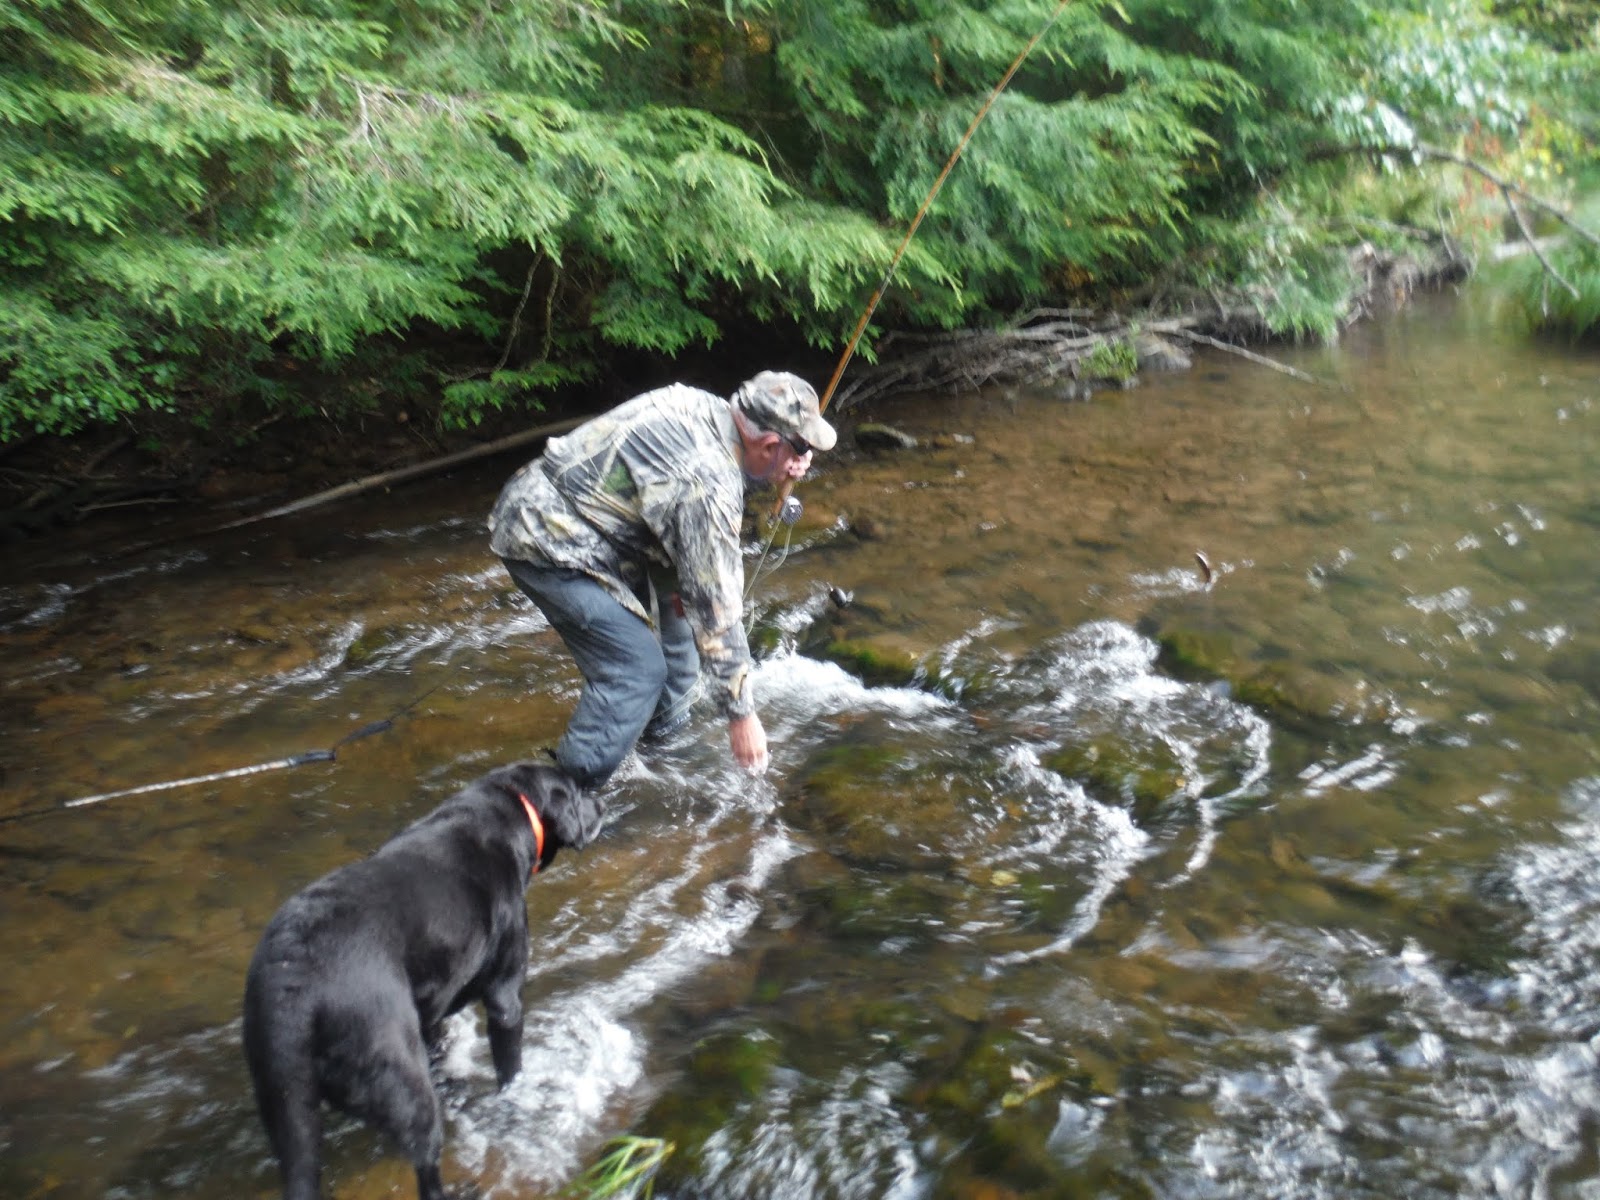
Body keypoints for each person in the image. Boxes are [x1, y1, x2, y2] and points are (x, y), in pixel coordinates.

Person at [488, 371, 836, 790]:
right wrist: (742, 716)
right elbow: (718, 611)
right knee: (636, 669)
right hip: (548, 539)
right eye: (802, 448)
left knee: (682, 628)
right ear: (769, 443)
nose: (807, 461)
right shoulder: (706, 485)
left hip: (605, 523)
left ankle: (658, 746)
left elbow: (695, 596)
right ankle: (561, 798)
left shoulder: (707, 408)